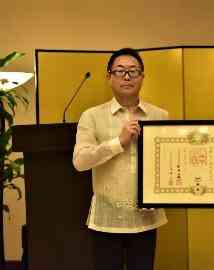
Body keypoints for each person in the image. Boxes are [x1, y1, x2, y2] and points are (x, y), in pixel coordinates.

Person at [73, 48, 168, 270]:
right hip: (107, 220)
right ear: (109, 77)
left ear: (142, 77)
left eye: (133, 71)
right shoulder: (92, 116)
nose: (127, 77)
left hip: (146, 219)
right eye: (120, 71)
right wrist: (119, 142)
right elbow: (80, 161)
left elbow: (168, 165)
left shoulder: (159, 115)